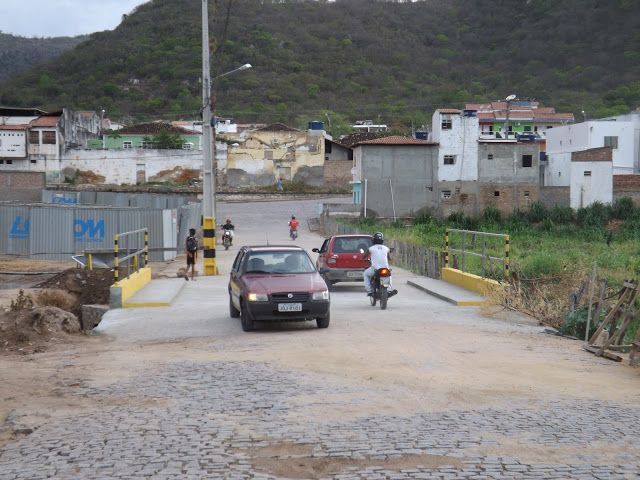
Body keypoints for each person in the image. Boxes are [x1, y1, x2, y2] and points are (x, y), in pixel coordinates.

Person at [363, 232, 397, 297]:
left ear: (374, 240)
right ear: (382, 240)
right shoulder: (386, 248)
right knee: (389, 275)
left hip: (375, 269)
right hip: (385, 269)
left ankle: (369, 291)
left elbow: (364, 256)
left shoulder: (371, 248)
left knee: (365, 274)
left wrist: (362, 259)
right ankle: (389, 290)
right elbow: (389, 258)